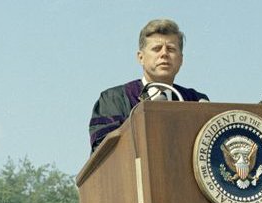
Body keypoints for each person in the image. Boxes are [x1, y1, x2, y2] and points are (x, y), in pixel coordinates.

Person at [88, 18, 209, 151]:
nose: (164, 54)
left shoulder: (196, 102)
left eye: (171, 49)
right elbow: (105, 152)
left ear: (181, 59)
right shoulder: (114, 99)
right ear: (141, 58)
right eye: (156, 49)